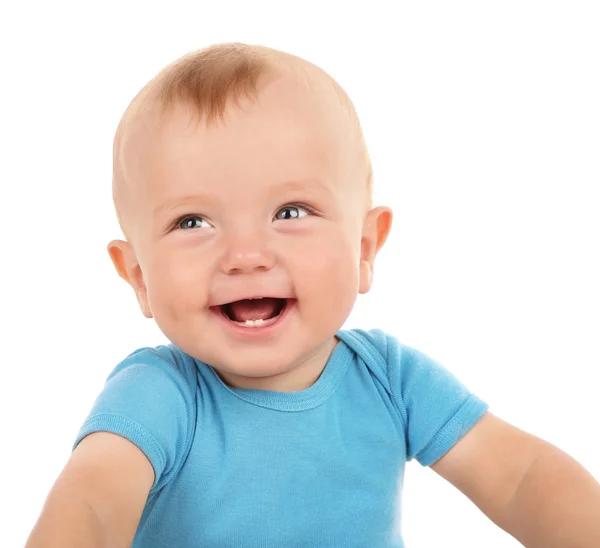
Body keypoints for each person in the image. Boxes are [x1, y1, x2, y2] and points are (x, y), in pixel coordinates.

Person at [26, 43, 600, 548]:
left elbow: (521, 475)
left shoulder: (392, 380)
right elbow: (94, 502)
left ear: (364, 248)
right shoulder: (162, 395)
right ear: (140, 278)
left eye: (290, 212)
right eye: (193, 222)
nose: (245, 255)